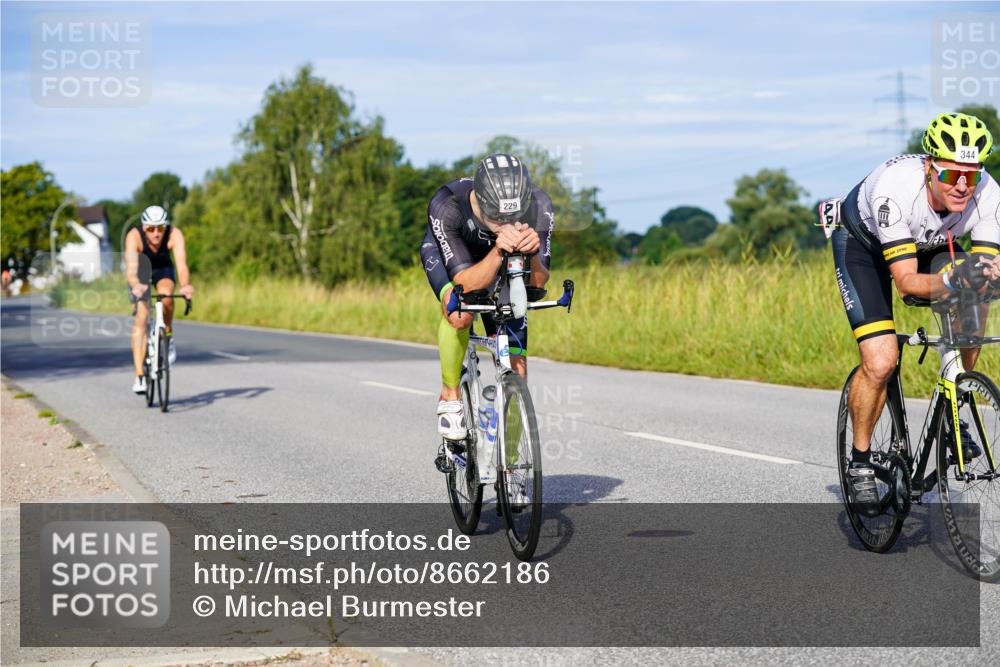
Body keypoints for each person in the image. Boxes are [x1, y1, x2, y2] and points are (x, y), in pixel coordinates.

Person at [830, 112, 1000, 516]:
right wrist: (957, 281)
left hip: (929, 244)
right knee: (881, 360)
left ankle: (954, 408)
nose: (962, 185)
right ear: (929, 168)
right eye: (951, 175)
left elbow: (987, 270)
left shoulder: (990, 194)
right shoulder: (895, 190)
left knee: (975, 300)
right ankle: (860, 460)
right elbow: (906, 283)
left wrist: (985, 279)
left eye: (971, 176)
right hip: (864, 247)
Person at [420, 153, 555, 440]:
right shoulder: (448, 205)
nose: (506, 222)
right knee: (459, 312)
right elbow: (464, 285)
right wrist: (497, 250)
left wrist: (531, 255)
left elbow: (539, 283)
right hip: (455, 259)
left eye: (513, 216)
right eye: (497, 216)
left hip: (506, 264)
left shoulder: (539, 205)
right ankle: (450, 396)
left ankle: (512, 472)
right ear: (478, 200)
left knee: (518, 369)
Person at [124, 205, 195, 394]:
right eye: (150, 229)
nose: (156, 234)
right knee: (142, 317)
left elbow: (181, 266)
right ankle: (139, 376)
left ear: (166, 227)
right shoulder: (134, 236)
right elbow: (131, 270)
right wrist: (136, 286)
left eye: (160, 228)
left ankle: (168, 336)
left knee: (167, 298)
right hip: (141, 271)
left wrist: (185, 285)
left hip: (163, 269)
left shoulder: (175, 235)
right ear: (143, 227)